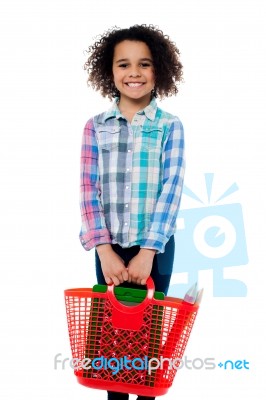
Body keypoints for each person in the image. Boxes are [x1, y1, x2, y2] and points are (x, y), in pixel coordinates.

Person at [79, 24, 185, 400]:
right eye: (124, 64)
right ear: (110, 71)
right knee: (113, 346)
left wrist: (147, 252)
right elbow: (88, 189)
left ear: (160, 70)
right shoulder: (95, 127)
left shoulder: (170, 126)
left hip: (153, 251)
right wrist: (103, 250)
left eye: (144, 64)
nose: (134, 73)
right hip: (109, 251)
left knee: (145, 344)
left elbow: (171, 190)